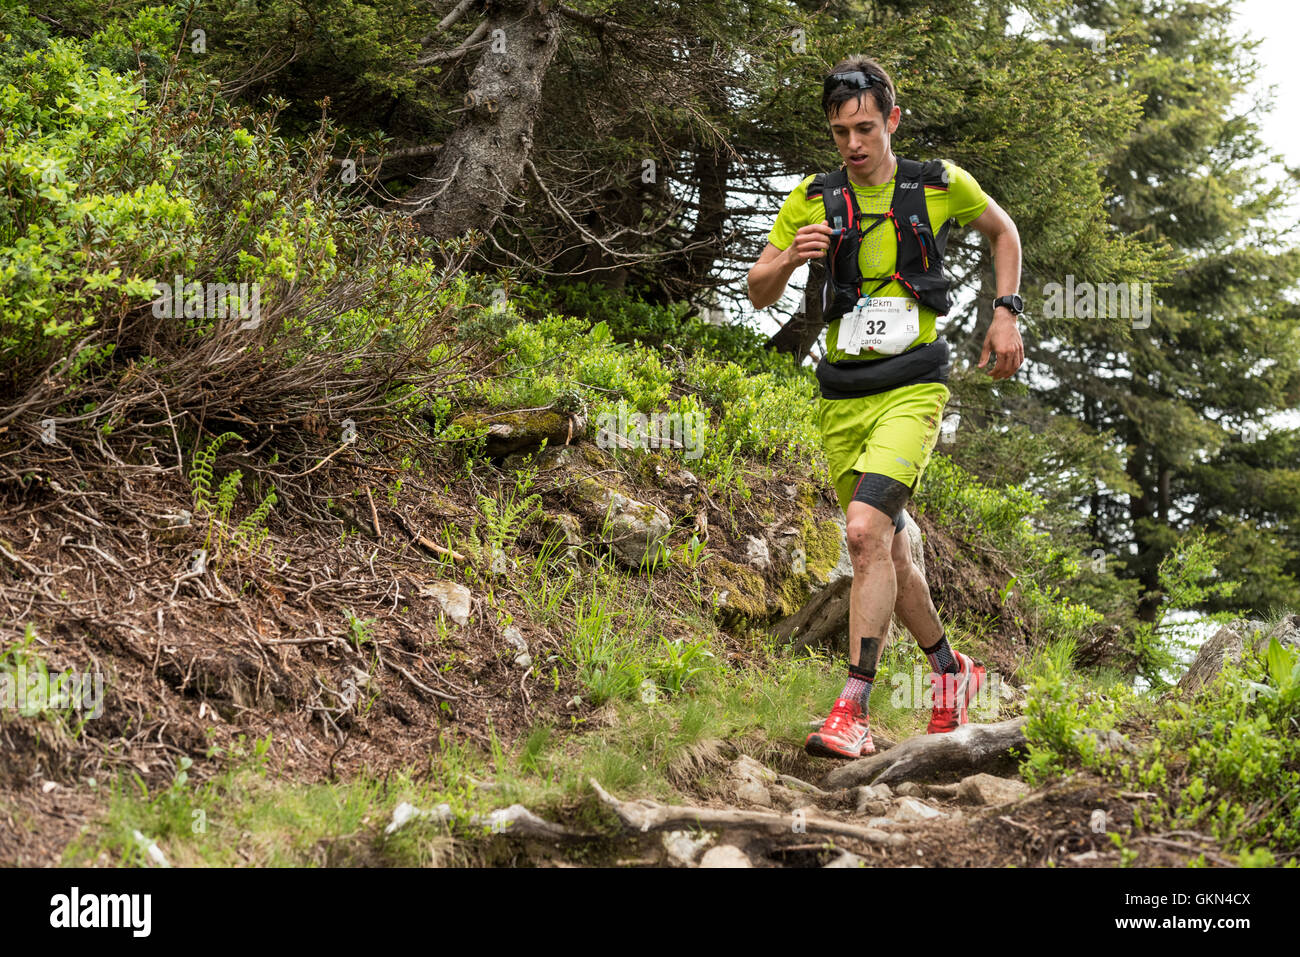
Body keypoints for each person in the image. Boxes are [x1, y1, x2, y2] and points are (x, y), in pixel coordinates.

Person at [747, 55, 1025, 759]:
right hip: (842, 393)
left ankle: (854, 708)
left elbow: (1004, 231)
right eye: (840, 132)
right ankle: (950, 671)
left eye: (865, 128)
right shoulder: (813, 196)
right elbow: (756, 290)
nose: (853, 144)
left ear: (892, 121)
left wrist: (1006, 313)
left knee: (865, 532)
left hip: (914, 384)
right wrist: (786, 261)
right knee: (889, 546)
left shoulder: (938, 184)